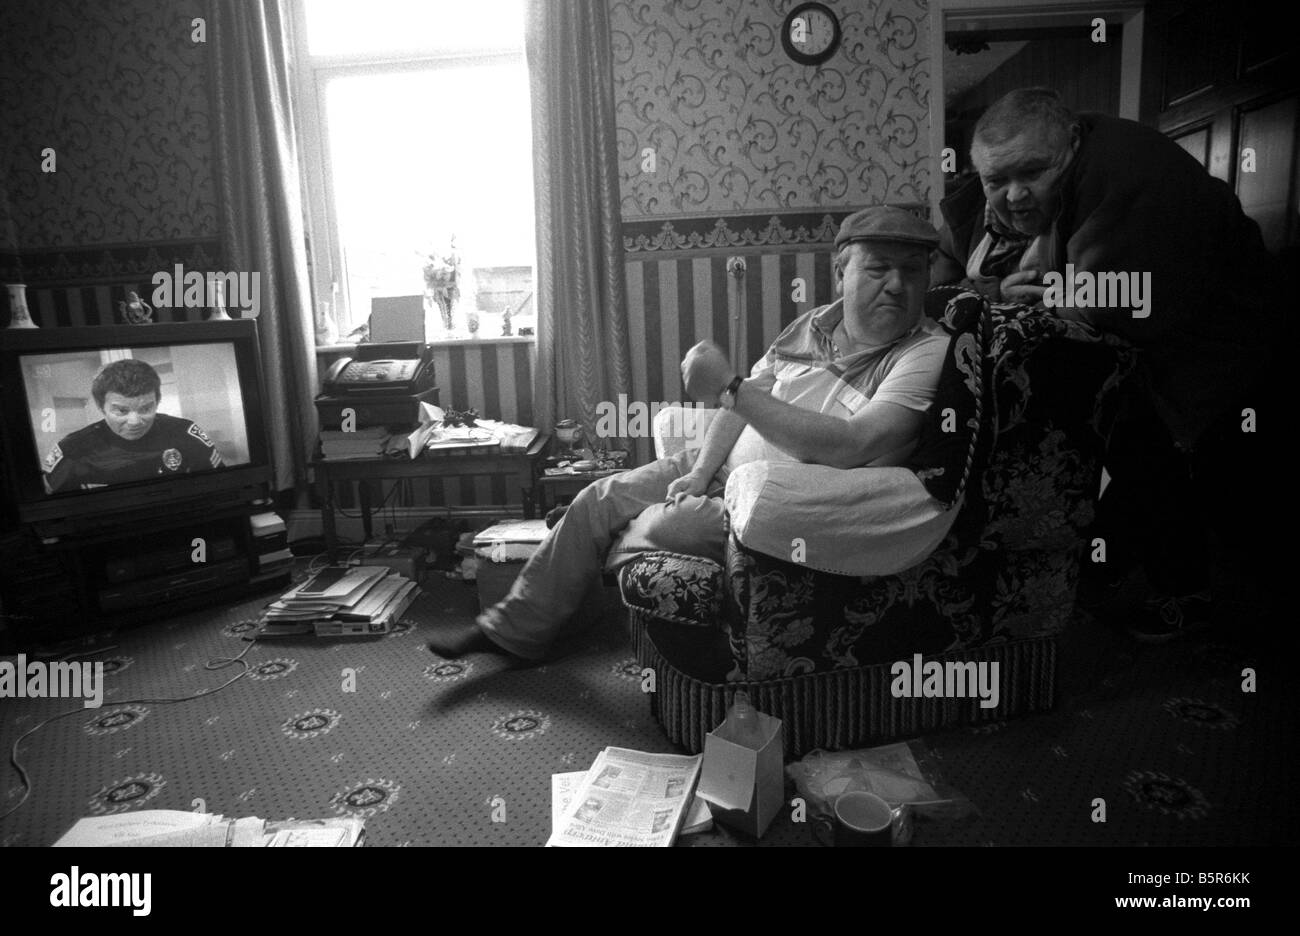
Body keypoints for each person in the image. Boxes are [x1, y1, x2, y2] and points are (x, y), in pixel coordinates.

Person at [428, 205, 956, 660]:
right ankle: (510, 632)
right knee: (597, 496)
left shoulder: (924, 350)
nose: (897, 284)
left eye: (913, 271)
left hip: (771, 511)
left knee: (659, 527)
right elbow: (745, 402)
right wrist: (702, 470)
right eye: (878, 268)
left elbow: (854, 445)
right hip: (721, 471)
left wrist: (727, 385)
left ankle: (582, 559)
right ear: (841, 272)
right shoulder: (813, 324)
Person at [932, 87, 1282, 642]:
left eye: (1032, 173)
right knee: (1129, 448)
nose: (1014, 195)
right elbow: (953, 258)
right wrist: (993, 286)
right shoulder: (1016, 182)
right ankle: (1109, 566)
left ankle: (1183, 597)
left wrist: (1041, 296)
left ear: (1070, 144)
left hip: (1214, 342)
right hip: (1153, 341)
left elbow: (1131, 306)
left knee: (1153, 445)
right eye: (997, 181)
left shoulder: (1133, 178)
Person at [42, 358, 225, 493]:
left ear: (157, 402)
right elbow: (49, 509)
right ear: (100, 407)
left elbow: (222, 487)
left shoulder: (185, 434)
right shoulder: (73, 450)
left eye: (146, 408)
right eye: (121, 411)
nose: (135, 421)